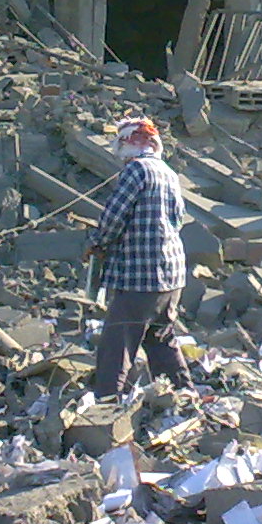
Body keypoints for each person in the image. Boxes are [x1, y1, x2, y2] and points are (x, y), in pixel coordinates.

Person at [85, 116, 193, 401]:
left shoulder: (136, 171)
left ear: (130, 144)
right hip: (171, 277)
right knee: (161, 340)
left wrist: (96, 243)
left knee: (116, 344)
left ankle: (106, 404)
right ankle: (184, 398)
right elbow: (177, 219)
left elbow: (114, 215)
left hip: (140, 278)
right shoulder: (168, 172)